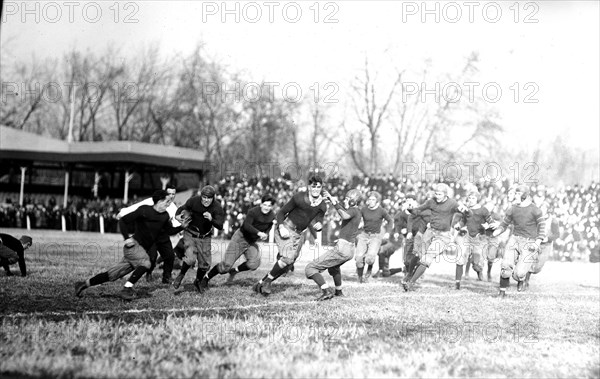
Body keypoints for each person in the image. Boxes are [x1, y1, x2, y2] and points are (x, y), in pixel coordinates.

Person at [74, 190, 188, 300]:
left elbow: (169, 231)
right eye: (167, 201)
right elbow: (123, 221)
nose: (169, 204)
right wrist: (126, 238)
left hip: (141, 251)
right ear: (159, 201)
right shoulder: (144, 210)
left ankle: (83, 284)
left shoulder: (165, 216)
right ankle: (127, 289)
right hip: (133, 247)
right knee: (146, 263)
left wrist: (181, 227)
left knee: (113, 274)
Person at [253, 175, 328, 296]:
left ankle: (260, 283)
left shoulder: (322, 205)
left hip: (299, 234)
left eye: (319, 187)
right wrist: (281, 226)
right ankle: (267, 282)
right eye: (313, 187)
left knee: (287, 265)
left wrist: (320, 225)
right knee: (287, 259)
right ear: (309, 187)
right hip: (287, 228)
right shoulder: (299, 197)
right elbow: (281, 212)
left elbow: (320, 220)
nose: (316, 189)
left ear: (321, 188)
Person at [403, 183, 467, 291]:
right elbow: (418, 210)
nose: (437, 196)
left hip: (443, 236)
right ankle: (409, 274)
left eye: (440, 194)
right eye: (436, 194)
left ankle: (411, 283)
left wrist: (460, 224)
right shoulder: (431, 201)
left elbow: (466, 215)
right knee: (419, 255)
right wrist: (411, 209)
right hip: (430, 232)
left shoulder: (452, 203)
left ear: (445, 194)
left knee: (427, 259)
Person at [201, 195, 276, 287]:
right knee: (226, 266)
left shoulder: (272, 215)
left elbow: (269, 225)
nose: (266, 208)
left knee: (254, 264)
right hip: (240, 238)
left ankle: (234, 271)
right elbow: (246, 226)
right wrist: (259, 233)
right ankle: (206, 278)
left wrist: (267, 233)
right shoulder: (253, 212)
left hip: (251, 242)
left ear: (272, 207)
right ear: (261, 204)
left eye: (269, 206)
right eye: (265, 205)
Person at [305, 189, 362, 300]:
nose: (344, 200)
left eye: (347, 198)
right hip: (349, 249)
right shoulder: (356, 211)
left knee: (310, 268)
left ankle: (326, 291)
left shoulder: (353, 211)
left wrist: (334, 202)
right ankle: (339, 291)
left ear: (353, 201)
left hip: (343, 248)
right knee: (334, 268)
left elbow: (344, 215)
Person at [117, 184, 180, 284]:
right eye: (169, 193)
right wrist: (123, 212)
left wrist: (182, 227)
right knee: (152, 257)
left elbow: (176, 222)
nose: (171, 196)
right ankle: (148, 273)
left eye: (173, 194)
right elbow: (137, 206)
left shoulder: (173, 207)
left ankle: (166, 277)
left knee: (170, 256)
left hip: (163, 236)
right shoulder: (153, 201)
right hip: (151, 236)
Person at [491, 184, 546, 298]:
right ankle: (502, 292)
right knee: (505, 265)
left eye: (518, 193)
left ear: (524, 195)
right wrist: (498, 230)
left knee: (519, 273)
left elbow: (542, 227)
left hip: (529, 242)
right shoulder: (513, 209)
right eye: (515, 193)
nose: (515, 195)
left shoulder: (535, 210)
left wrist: (537, 242)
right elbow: (505, 223)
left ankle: (521, 279)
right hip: (514, 239)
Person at [172, 185, 225, 293]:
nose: (206, 200)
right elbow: (182, 208)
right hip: (190, 233)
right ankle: (181, 275)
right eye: (204, 197)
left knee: (205, 264)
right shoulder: (194, 201)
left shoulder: (217, 207)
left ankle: (198, 281)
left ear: (213, 198)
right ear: (201, 196)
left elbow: (220, 225)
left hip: (205, 237)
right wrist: (177, 215)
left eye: (208, 198)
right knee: (190, 258)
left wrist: (211, 219)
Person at [453, 191, 494, 289]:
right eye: (470, 198)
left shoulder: (483, 210)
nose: (471, 200)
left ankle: (478, 269)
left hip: (479, 237)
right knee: (460, 258)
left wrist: (488, 226)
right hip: (467, 236)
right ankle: (457, 282)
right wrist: (459, 225)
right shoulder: (466, 210)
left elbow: (491, 221)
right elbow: (463, 221)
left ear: (478, 199)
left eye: (473, 198)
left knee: (477, 264)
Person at [355, 191, 394, 283]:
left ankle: (368, 274)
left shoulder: (381, 211)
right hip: (364, 235)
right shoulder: (364, 209)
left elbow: (390, 221)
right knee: (359, 258)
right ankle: (360, 278)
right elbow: (356, 218)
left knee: (370, 258)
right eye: (369, 199)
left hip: (375, 236)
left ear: (377, 201)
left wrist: (388, 232)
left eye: (373, 200)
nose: (371, 201)